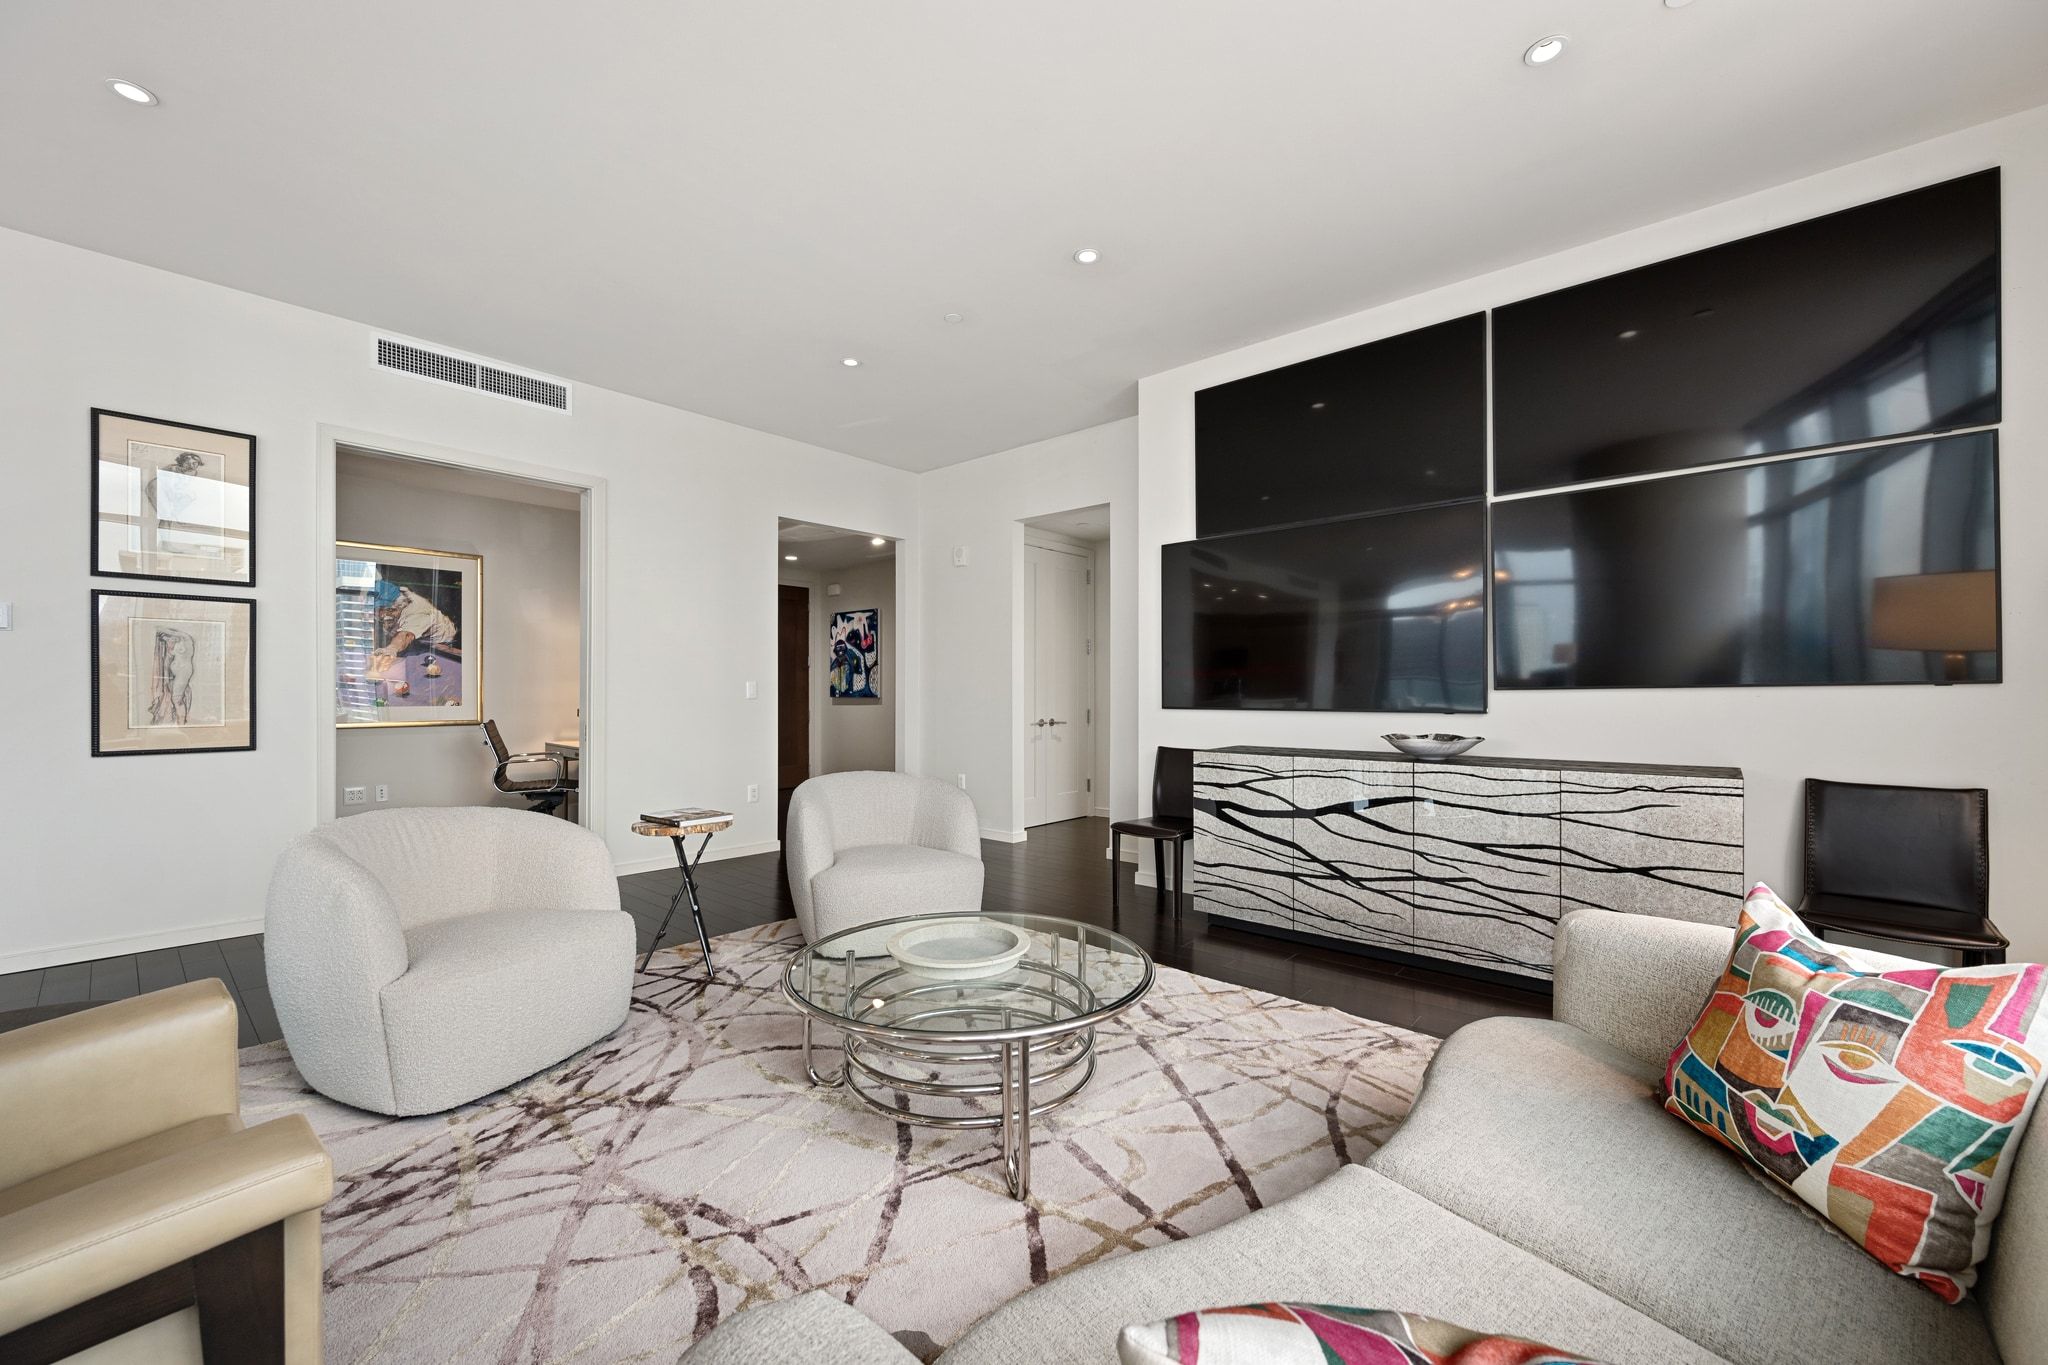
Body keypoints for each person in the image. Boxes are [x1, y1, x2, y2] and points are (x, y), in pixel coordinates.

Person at [368, 579, 458, 675]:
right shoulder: (398, 597)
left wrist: (390, 650)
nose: (374, 613)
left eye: (377, 609)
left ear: (391, 608)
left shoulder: (416, 613)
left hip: (443, 648)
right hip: (419, 642)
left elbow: (405, 636)